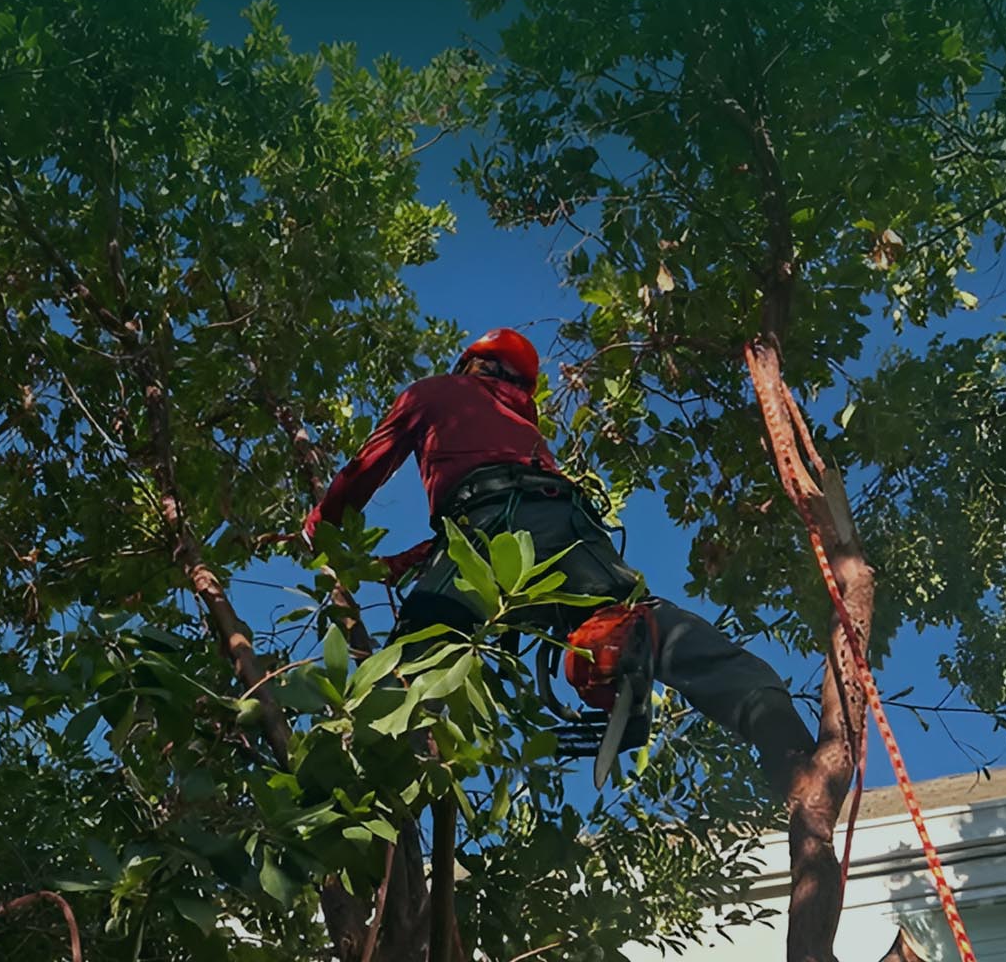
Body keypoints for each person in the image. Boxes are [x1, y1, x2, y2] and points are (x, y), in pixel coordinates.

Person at [302, 327, 815, 796]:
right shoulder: (525, 430)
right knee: (632, 618)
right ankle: (766, 713)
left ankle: (348, 791)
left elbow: (365, 469)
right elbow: (499, 512)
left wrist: (320, 528)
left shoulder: (437, 392)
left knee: (417, 653)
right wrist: (398, 563)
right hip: (567, 524)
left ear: (470, 364)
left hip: (488, 528)